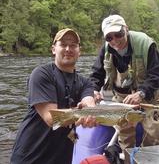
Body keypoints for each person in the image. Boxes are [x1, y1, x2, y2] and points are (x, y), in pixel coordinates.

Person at [10, 28, 97, 164]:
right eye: (63, 44)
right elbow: (52, 118)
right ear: (53, 49)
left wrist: (90, 110)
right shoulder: (41, 74)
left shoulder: (85, 82)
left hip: (61, 158)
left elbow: (88, 100)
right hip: (30, 157)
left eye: (73, 45)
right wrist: (82, 114)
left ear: (80, 51)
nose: (68, 49)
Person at [90, 14, 159, 149]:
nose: (114, 40)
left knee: (153, 133)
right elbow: (97, 74)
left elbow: (157, 74)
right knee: (124, 135)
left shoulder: (146, 43)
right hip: (122, 99)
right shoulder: (107, 49)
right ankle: (127, 158)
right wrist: (94, 90)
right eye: (109, 37)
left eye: (118, 34)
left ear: (126, 29)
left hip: (150, 97)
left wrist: (141, 94)